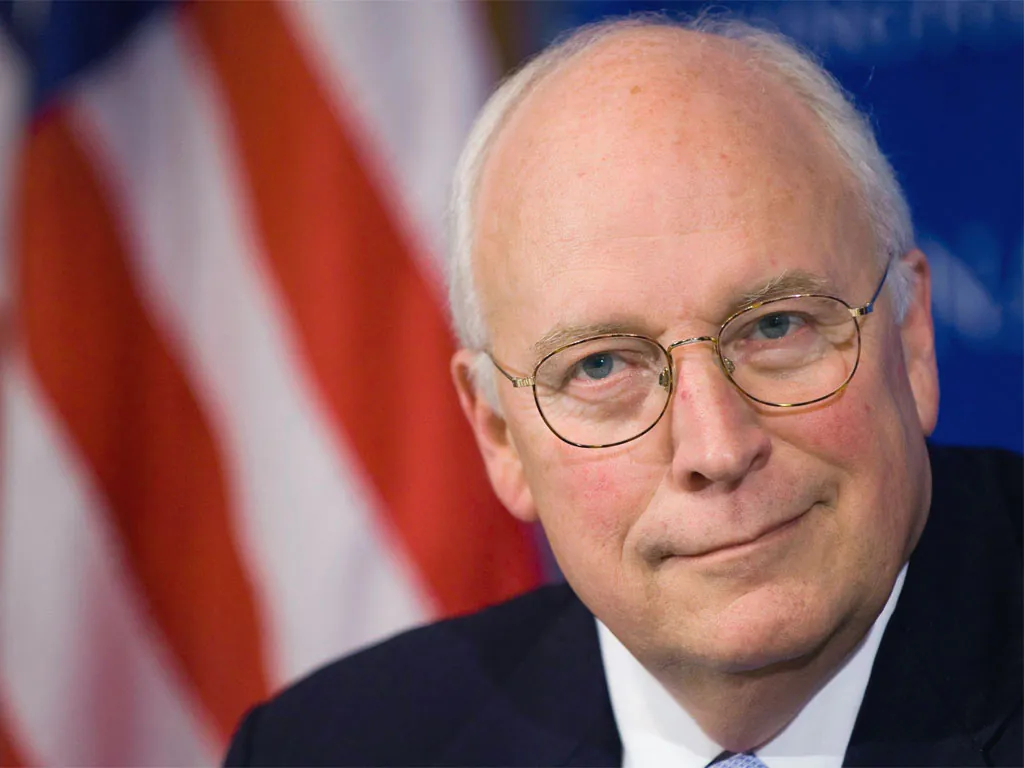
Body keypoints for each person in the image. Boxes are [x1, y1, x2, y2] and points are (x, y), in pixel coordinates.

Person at [224, 15, 1022, 767]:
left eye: (776, 327)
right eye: (601, 367)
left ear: (910, 339)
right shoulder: (329, 748)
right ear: (498, 435)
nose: (717, 448)